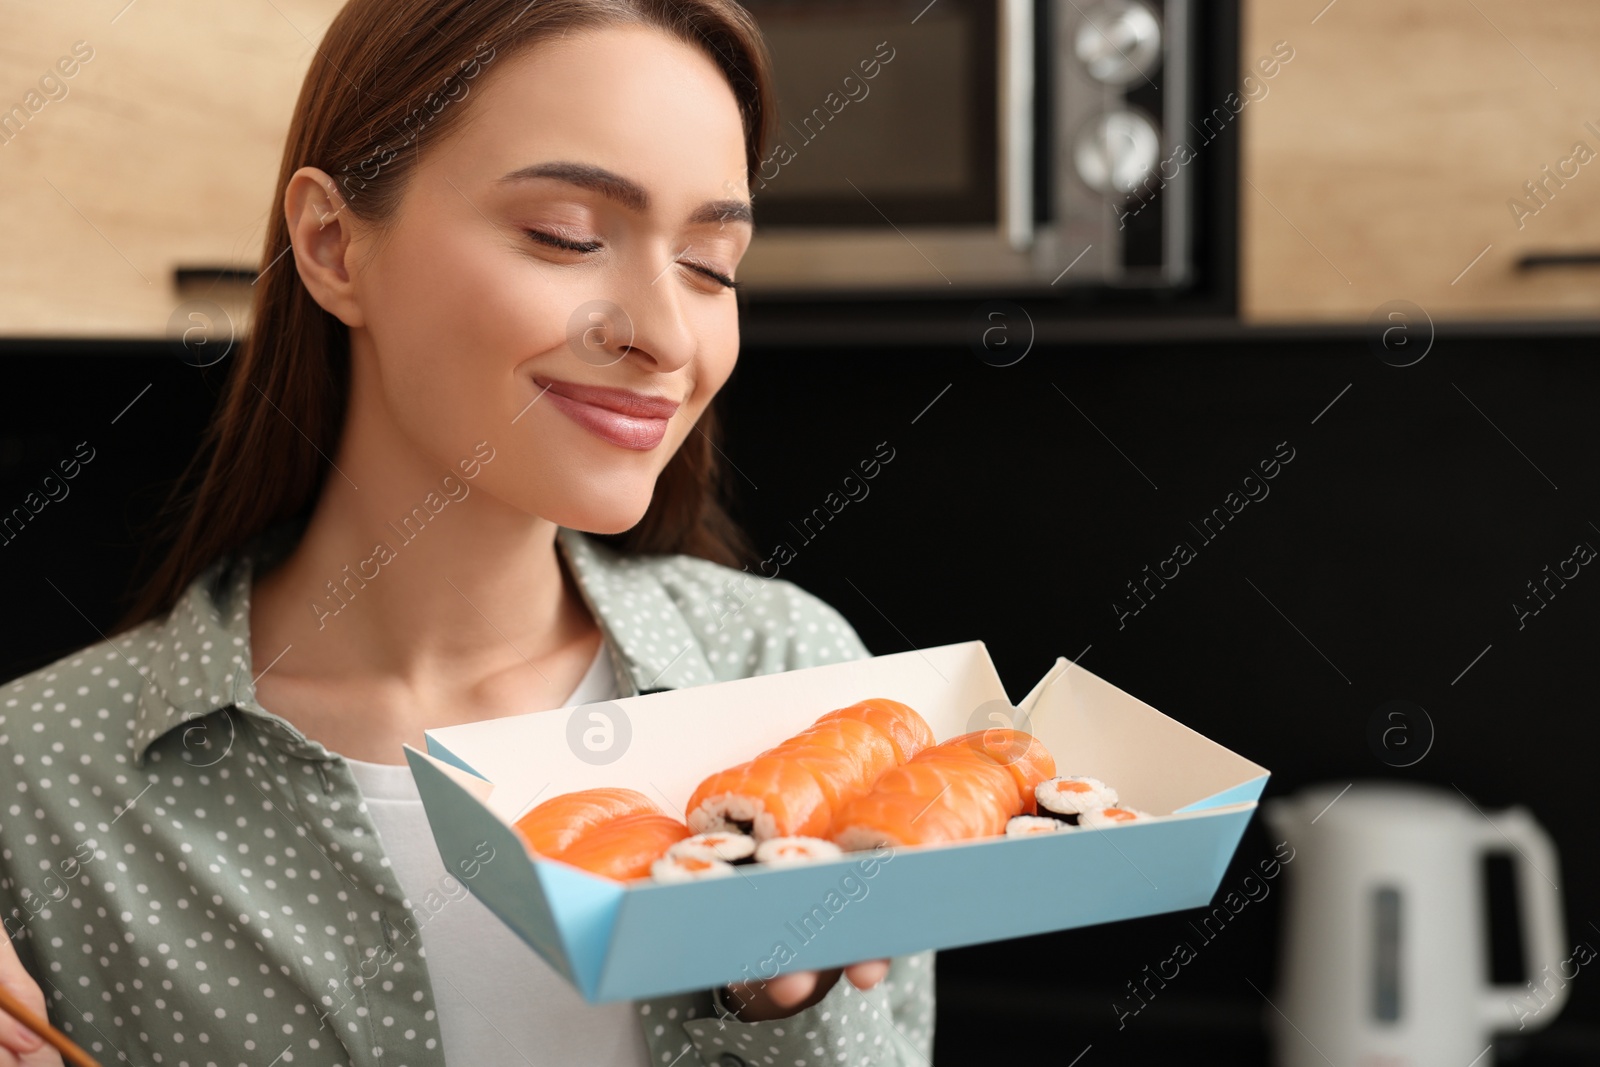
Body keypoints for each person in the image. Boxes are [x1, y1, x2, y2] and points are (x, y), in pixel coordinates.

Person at [0, 1, 935, 1064]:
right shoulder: (36, 788)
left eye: (712, 265)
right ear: (332, 246)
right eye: (567, 237)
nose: (669, 335)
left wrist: (781, 1007)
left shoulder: (800, 685)